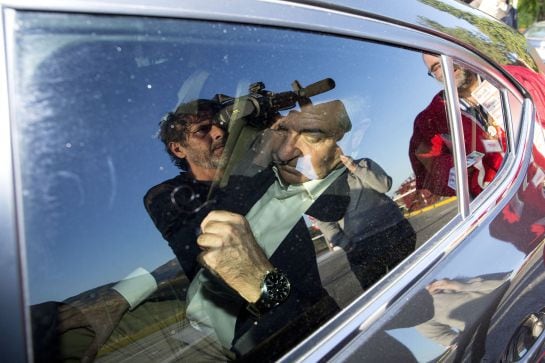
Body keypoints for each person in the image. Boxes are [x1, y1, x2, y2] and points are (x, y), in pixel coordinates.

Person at [144, 99, 358, 359]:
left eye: (222, 124)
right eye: (202, 130)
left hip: (321, 311)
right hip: (265, 338)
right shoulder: (166, 196)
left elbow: (332, 207)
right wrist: (260, 151)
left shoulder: (259, 169)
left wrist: (303, 148)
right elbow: (210, 240)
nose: (219, 132)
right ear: (178, 149)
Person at [409, 54, 506, 199]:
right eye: (436, 67)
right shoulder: (431, 120)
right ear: (433, 75)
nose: (447, 65)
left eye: (448, 56)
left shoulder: (506, 81)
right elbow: (433, 173)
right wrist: (477, 164)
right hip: (500, 202)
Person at [314, 156, 416, 291]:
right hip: (361, 246)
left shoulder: (363, 163)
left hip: (395, 231)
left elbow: (384, 185)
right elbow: (325, 222)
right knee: (377, 296)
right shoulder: (323, 187)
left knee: (411, 284)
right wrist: (347, 245)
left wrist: (356, 169)